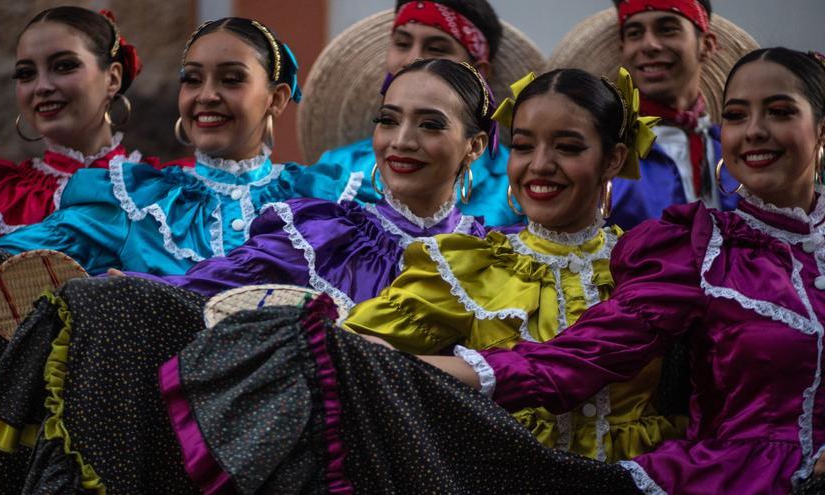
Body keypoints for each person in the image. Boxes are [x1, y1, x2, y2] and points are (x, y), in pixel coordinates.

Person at [427, 47, 825, 493]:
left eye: (779, 112)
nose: (754, 131)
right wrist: (394, 369)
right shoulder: (701, 248)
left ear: (821, 130)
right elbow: (578, 356)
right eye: (736, 115)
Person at [343, 67, 678, 462]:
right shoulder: (468, 267)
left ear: (613, 159)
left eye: (567, 147)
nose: (539, 165)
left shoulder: (647, 266)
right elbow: (350, 354)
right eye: (523, 146)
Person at [0, 17, 359, 276]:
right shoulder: (136, 203)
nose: (207, 96)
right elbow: (1, 264)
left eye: (231, 79)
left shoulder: (319, 200)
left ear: (276, 99)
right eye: (192, 79)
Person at [129, 58, 491, 308]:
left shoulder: (497, 260)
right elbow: (212, 286)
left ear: (473, 146)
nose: (401, 141)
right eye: (388, 120)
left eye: (430, 124)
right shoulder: (324, 237)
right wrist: (124, 288)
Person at [313, 0, 524, 226]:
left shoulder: (517, 185)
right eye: (402, 43)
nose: (413, 60)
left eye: (437, 48)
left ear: (478, 72)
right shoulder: (337, 170)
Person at [0, 6, 148, 242]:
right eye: (25, 73)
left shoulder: (163, 194)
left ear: (113, 78)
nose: (42, 87)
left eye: (64, 66)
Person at [608, 0, 741, 229]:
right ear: (623, 50)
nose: (649, 45)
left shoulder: (737, 149)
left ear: (707, 45)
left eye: (668, 29)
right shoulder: (606, 154)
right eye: (634, 33)